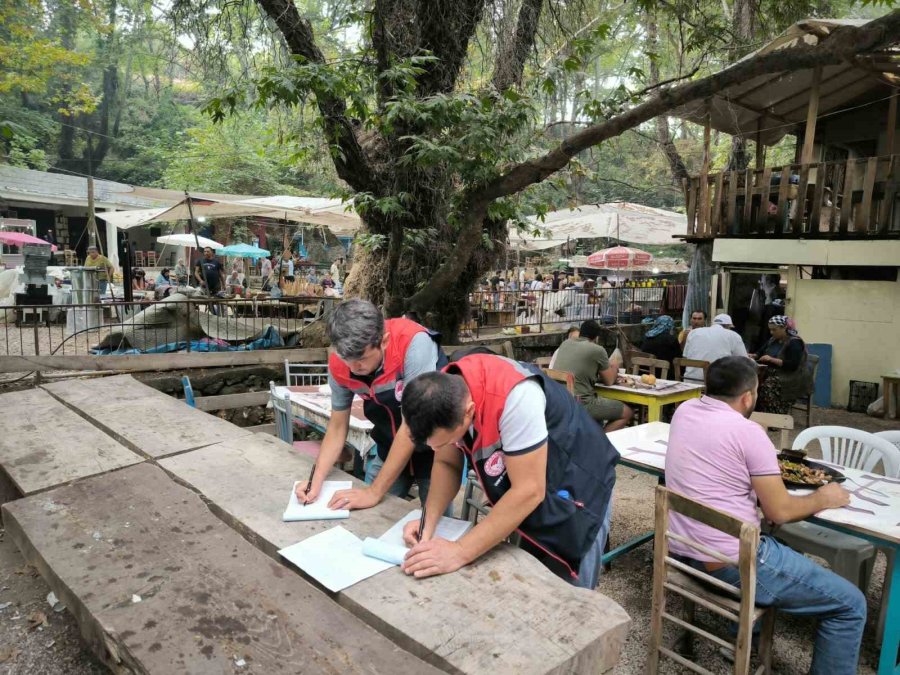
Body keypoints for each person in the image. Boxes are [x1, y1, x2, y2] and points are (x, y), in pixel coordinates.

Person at [666, 356, 865, 675]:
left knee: (781, 543)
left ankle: (745, 637)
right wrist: (822, 496)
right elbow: (781, 511)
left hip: (680, 550)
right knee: (851, 604)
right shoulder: (749, 432)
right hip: (729, 564)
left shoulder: (685, 411)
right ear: (748, 396)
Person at [398, 354, 620, 590]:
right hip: (534, 479)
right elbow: (447, 464)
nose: (437, 450)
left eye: (443, 442)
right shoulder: (444, 392)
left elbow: (529, 491)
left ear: (468, 412)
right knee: (531, 582)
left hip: (580, 484)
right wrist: (427, 525)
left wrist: (459, 551)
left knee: (572, 595)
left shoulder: (515, 397)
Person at [295, 299, 448, 511]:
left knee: (433, 526)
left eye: (363, 358)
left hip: (436, 449)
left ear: (383, 341)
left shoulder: (414, 344)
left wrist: (374, 492)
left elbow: (411, 426)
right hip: (388, 446)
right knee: (370, 517)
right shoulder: (340, 362)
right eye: (347, 358)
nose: (354, 367)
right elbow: (338, 425)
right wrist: (316, 479)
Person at [553, 319, 633, 431]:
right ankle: (600, 443)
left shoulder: (565, 344)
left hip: (559, 400)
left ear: (581, 332)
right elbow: (609, 381)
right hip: (581, 402)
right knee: (627, 412)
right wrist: (614, 367)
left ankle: (593, 437)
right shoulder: (597, 350)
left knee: (599, 413)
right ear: (596, 338)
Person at [753, 315, 810, 414]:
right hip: (775, 373)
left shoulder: (794, 342)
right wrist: (753, 355)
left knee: (768, 386)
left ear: (784, 328)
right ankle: (760, 413)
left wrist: (771, 359)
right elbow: (760, 352)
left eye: (774, 330)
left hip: (791, 376)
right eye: (770, 330)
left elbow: (792, 365)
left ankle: (775, 416)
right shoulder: (773, 340)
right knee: (754, 382)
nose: (771, 332)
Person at [682, 313, 747, 381]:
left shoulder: (693, 332)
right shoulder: (733, 335)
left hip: (690, 381)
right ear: (728, 326)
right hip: (715, 384)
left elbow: (685, 357)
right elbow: (744, 361)